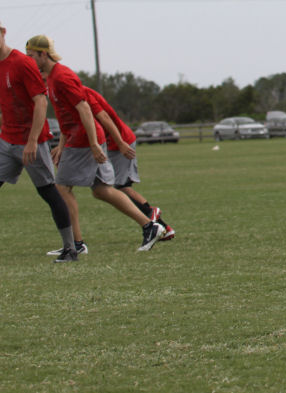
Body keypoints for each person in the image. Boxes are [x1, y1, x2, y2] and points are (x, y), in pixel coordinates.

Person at [25, 35, 166, 252]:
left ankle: (76, 244)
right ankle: (149, 226)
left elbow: (84, 109)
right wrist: (62, 145)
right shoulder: (52, 78)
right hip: (80, 139)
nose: (29, 60)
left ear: (43, 54)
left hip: (83, 140)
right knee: (101, 190)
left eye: (31, 56)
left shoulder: (62, 77)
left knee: (62, 188)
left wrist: (93, 143)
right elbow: (66, 117)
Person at [0, 21, 78, 262]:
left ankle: (70, 249)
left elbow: (41, 101)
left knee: (48, 192)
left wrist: (32, 141)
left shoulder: (22, 63)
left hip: (31, 141)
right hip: (7, 139)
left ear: (3, 32)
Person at [86, 86, 175, 241]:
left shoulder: (79, 92)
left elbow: (105, 117)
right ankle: (164, 228)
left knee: (115, 188)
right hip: (112, 143)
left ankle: (151, 214)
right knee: (114, 188)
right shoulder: (74, 91)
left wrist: (120, 143)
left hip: (119, 142)